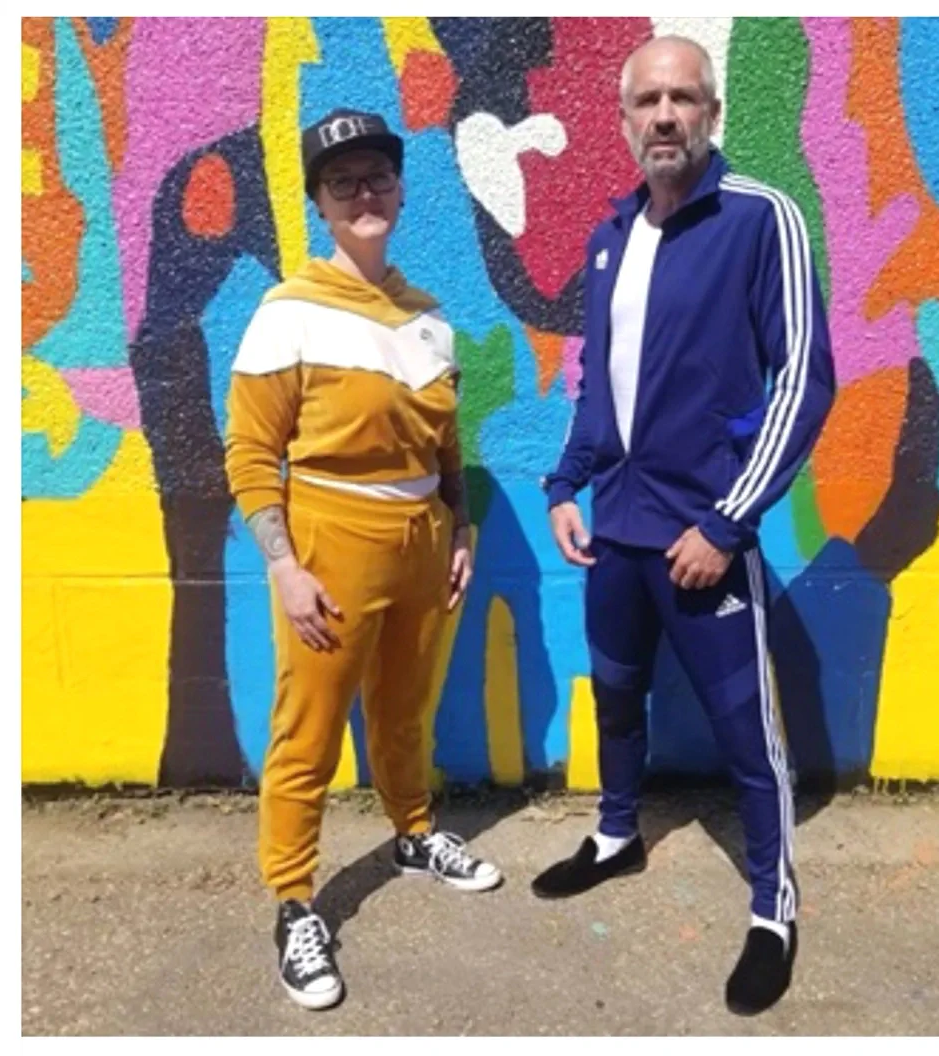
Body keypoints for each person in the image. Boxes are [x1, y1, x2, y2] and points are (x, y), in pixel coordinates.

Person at [534, 36, 835, 1016]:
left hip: (703, 540)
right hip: (614, 536)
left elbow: (803, 382)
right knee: (618, 697)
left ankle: (772, 911)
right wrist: (565, 485)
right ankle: (616, 834)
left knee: (748, 736)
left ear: (712, 111)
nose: (665, 115)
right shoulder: (611, 234)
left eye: (683, 97)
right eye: (647, 100)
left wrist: (727, 521)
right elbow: (598, 382)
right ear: (624, 119)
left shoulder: (759, 217)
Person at [224, 108, 502, 1011]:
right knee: (306, 730)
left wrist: (461, 529)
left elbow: (446, 447)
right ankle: (294, 902)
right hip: (329, 539)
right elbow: (250, 454)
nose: (363, 193)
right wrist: (284, 564)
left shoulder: (428, 319)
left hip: (423, 541)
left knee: (404, 709)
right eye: (342, 182)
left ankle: (414, 833)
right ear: (319, 204)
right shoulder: (287, 314)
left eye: (377, 175)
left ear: (400, 189)